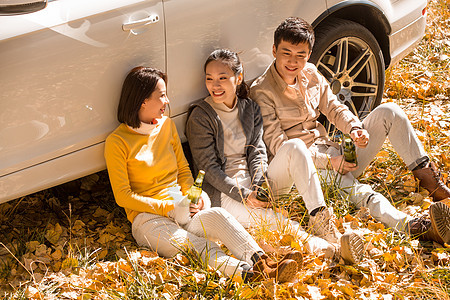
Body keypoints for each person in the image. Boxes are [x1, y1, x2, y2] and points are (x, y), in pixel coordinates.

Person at [250, 17, 450, 245]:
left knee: (390, 111)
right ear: (274, 50)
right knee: (363, 191)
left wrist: (355, 128)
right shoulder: (262, 91)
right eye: (286, 53)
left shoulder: (311, 73)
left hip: (334, 150)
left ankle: (431, 183)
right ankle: (413, 226)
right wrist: (329, 162)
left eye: (301, 55)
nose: (293, 62)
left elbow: (334, 108)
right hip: (305, 171)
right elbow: (277, 145)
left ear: (309, 53)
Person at [104, 66, 300, 283]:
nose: (167, 101)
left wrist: (193, 196)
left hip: (182, 209)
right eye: (161, 96)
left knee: (219, 215)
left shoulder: (166, 126)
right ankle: (246, 273)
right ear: (142, 101)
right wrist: (167, 208)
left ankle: (264, 264)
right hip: (148, 220)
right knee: (197, 245)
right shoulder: (117, 142)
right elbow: (123, 196)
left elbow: (183, 170)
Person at [186, 49, 365, 265]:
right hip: (226, 195)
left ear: (238, 78)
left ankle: (321, 219)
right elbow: (209, 169)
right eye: (209, 79)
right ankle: (330, 250)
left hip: (255, 184)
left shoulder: (249, 108)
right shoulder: (201, 117)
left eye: (222, 78)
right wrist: (245, 194)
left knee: (295, 146)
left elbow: (257, 151)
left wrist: (260, 184)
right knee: (275, 220)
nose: (215, 85)